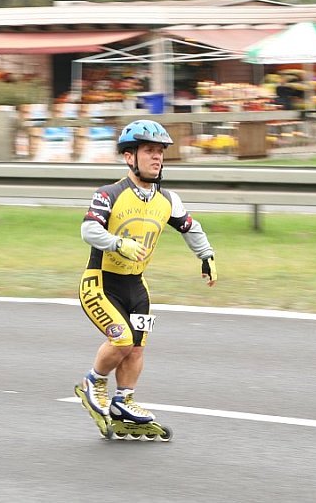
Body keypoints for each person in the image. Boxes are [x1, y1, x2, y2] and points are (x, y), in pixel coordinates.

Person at [75, 119, 217, 429]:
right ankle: (93, 383)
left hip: (137, 286)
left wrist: (206, 255)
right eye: (150, 151)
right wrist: (118, 243)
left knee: (137, 346)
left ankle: (123, 401)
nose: (157, 158)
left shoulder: (167, 199)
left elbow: (190, 227)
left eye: (161, 152)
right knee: (122, 340)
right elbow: (88, 229)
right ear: (130, 157)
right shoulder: (109, 193)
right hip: (100, 283)